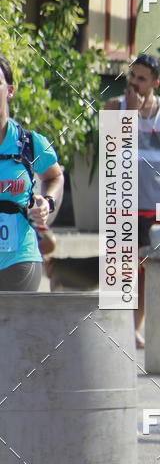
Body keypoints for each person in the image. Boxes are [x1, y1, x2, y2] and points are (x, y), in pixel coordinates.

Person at [105, 54, 160, 349]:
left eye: (142, 78)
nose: (135, 83)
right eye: (132, 76)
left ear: (155, 83)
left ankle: (135, 328)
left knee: (148, 271)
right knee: (121, 270)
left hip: (158, 205)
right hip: (122, 204)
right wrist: (130, 115)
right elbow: (110, 152)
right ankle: (118, 329)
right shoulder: (115, 106)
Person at [0, 55, 63, 291]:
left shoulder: (30, 143)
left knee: (15, 317)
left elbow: (55, 176)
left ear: (9, 91)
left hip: (20, 257)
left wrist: (47, 202)